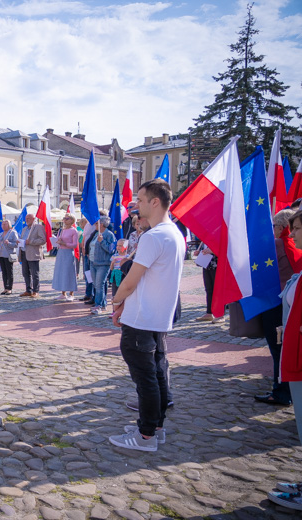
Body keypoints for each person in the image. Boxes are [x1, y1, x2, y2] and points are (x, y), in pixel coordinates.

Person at [108, 179, 185, 451]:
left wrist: (116, 302)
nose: (136, 206)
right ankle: (156, 427)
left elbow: (131, 280)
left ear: (155, 202)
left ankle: (146, 435)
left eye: (140, 200)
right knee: (156, 374)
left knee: (146, 379)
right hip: (158, 316)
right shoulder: (174, 233)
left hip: (142, 318)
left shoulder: (154, 236)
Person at [255, 209, 301, 406]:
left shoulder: (276, 245)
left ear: (282, 227)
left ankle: (281, 392)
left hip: (275, 305)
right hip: (286, 305)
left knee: (277, 352)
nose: (272, 229)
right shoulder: (293, 246)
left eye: (274, 226)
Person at [89, 216, 116, 314]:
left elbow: (111, 250)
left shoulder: (109, 235)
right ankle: (103, 303)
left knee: (99, 285)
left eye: (96, 223)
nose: (94, 225)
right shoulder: (97, 234)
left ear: (102, 225)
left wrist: (102, 242)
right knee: (96, 285)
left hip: (103, 264)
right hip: (93, 262)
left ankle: (98, 305)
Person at [19, 213, 46, 297]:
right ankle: (28, 290)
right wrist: (19, 241)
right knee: (25, 273)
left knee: (35, 273)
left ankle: (36, 291)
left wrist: (30, 241)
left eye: (29, 218)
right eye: (26, 218)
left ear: (34, 219)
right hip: (24, 253)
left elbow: (43, 240)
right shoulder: (24, 229)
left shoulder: (38, 227)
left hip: (33, 253)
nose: (27, 220)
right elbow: (23, 240)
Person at [52, 214, 78, 300]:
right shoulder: (62, 230)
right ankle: (63, 293)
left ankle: (71, 293)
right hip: (61, 252)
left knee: (69, 271)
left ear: (71, 220)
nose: (65, 220)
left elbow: (74, 244)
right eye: (64, 219)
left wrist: (64, 243)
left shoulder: (74, 231)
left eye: (66, 219)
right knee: (61, 271)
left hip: (68, 252)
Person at [192, 242, 220, 322]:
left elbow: (225, 249)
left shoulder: (219, 233)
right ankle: (209, 312)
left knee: (218, 290)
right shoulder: (205, 237)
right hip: (207, 265)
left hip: (217, 264)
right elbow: (204, 248)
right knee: (209, 289)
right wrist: (199, 253)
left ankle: (220, 314)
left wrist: (213, 251)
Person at [0, 219, 18, 295]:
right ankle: (5, 287)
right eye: (2, 224)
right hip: (1, 255)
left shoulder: (12, 233)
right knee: (4, 272)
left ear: (9, 225)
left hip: (9, 255)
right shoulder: (0, 234)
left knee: (9, 272)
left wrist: (9, 243)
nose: (3, 226)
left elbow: (16, 244)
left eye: (5, 224)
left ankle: (10, 288)